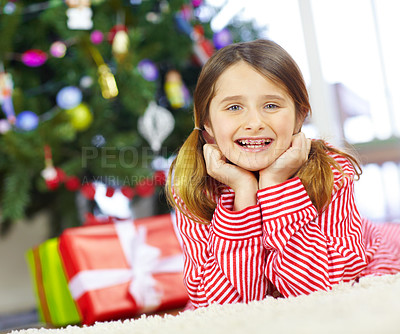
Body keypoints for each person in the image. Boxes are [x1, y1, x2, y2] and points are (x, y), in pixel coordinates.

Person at [166, 39, 400, 308]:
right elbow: (217, 306)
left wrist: (275, 186)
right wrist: (244, 196)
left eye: (271, 106)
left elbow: (320, 289)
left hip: (379, 247)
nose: (254, 123)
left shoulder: (332, 171)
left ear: (300, 116)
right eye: (234, 107)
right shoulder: (196, 187)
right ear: (206, 121)